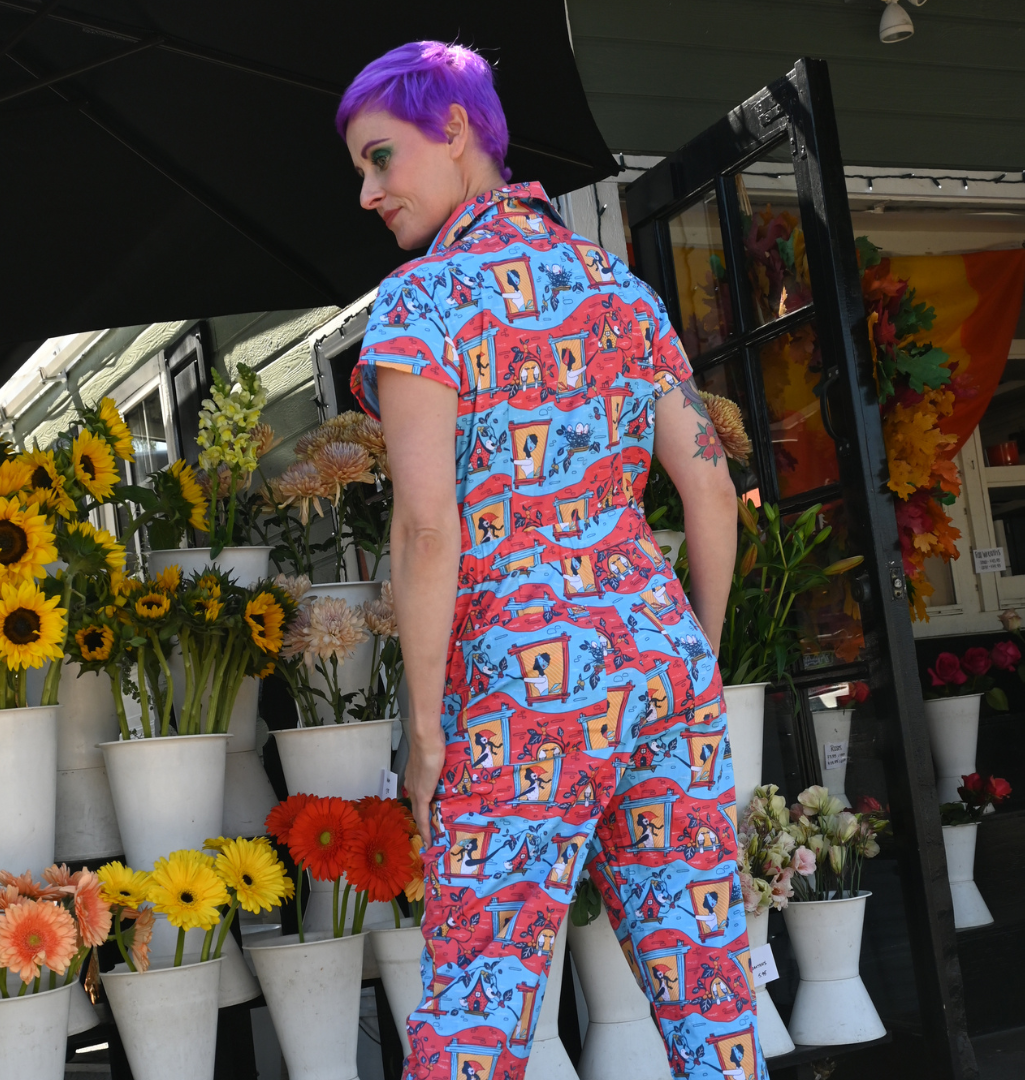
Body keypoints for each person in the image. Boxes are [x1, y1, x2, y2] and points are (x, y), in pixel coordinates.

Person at [338, 40, 763, 1080]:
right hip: (659, 655)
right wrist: (693, 659)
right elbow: (707, 484)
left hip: (523, 685)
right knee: (708, 987)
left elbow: (428, 530)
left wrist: (429, 734)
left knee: (478, 1003)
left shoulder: (419, 305)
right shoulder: (618, 290)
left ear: (455, 131)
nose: (367, 192)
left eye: (381, 157)